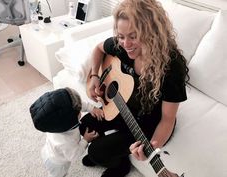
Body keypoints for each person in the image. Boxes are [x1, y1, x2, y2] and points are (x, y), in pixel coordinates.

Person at [79, 0, 189, 176]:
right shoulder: (122, 47)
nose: (125, 44)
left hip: (149, 122)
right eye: (121, 36)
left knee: (95, 152)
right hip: (123, 104)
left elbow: (168, 119)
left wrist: (152, 147)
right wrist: (94, 76)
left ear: (151, 32)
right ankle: (116, 152)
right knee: (84, 125)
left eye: (133, 36)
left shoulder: (172, 67)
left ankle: (120, 165)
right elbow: (98, 49)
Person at [29, 88, 104, 177]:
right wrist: (86, 140)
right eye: (78, 112)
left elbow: (78, 104)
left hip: (49, 151)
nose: (81, 110)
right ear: (68, 122)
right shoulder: (65, 141)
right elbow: (75, 155)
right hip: (57, 164)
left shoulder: (57, 123)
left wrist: (92, 108)